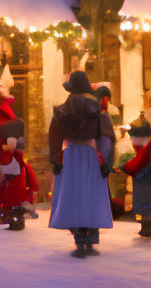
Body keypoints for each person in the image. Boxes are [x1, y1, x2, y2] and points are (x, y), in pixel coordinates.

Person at [48, 70, 113, 257]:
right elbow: (106, 136)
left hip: (71, 157)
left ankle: (80, 243)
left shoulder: (61, 111)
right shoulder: (96, 109)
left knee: (73, 198)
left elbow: (54, 137)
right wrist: (105, 159)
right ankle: (91, 242)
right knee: (91, 197)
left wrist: (55, 158)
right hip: (92, 156)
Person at [0, 119, 39, 231]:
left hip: (12, 179)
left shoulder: (6, 149)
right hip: (12, 179)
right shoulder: (11, 151)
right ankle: (15, 219)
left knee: (12, 199)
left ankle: (16, 219)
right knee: (13, 198)